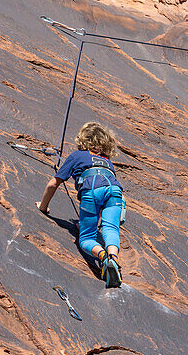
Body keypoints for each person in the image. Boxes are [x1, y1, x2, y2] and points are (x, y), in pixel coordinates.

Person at [37, 121, 124, 287]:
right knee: (111, 229)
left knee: (86, 238)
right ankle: (113, 257)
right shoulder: (107, 161)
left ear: (84, 139)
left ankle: (104, 258)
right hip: (115, 191)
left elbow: (53, 184)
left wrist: (43, 206)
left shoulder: (78, 156)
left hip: (92, 190)